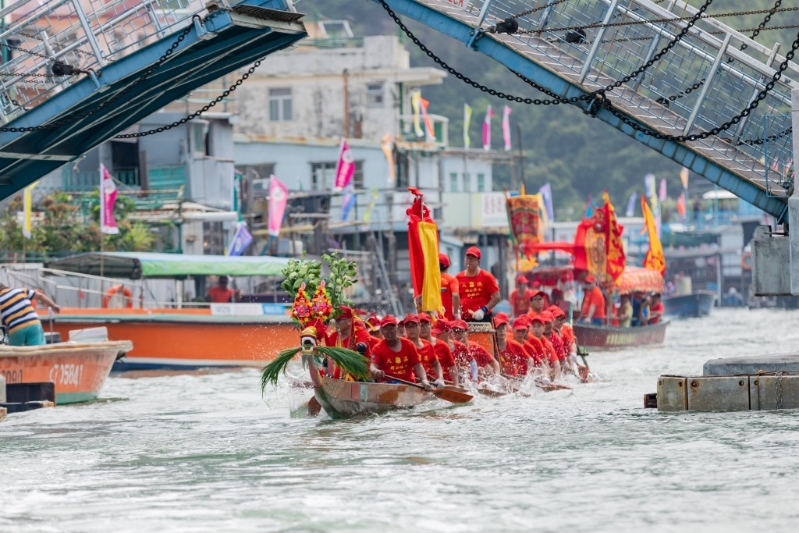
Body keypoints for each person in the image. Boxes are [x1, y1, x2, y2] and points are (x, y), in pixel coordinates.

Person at [370, 315, 431, 390]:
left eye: (391, 328)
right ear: (381, 331)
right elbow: (373, 366)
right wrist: (375, 371)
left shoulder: (408, 344)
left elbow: (418, 366)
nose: (389, 331)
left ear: (396, 328)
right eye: (386, 329)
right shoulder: (378, 348)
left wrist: (424, 380)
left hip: (409, 384)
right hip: (387, 387)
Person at [325, 306, 373, 379]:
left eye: (338, 320)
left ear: (349, 321)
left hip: (361, 379)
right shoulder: (333, 337)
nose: (336, 323)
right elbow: (329, 361)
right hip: (338, 382)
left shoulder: (360, 332)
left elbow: (361, 348)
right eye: (335, 320)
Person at [456, 246, 501, 322]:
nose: (469, 261)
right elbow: (455, 298)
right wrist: (456, 312)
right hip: (464, 319)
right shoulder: (458, 277)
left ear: (478, 262)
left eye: (472, 258)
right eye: (467, 258)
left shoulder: (487, 276)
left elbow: (497, 297)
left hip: (483, 317)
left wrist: (483, 310)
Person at [404, 314, 445, 388]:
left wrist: (440, 378)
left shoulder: (428, 345)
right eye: (408, 327)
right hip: (408, 384)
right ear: (405, 329)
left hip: (426, 384)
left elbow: (436, 364)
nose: (411, 329)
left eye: (413, 326)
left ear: (419, 325)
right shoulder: (402, 344)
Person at [421, 316, 460, 387]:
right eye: (420, 325)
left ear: (431, 325)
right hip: (419, 383)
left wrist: (456, 385)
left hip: (439, 384)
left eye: (425, 324)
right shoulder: (410, 344)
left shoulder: (443, 345)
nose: (423, 328)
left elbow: (452, 367)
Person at [438, 253, 461, 320]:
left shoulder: (430, 281)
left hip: (434, 319)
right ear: (448, 265)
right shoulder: (452, 280)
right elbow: (455, 295)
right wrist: (456, 313)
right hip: (449, 319)